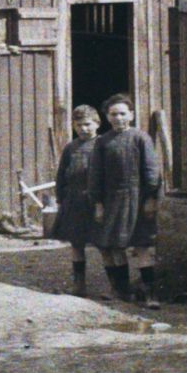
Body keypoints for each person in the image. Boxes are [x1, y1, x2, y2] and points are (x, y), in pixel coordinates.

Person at [91, 93, 164, 307]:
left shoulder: (141, 138)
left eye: (122, 114)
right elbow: (95, 175)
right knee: (114, 246)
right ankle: (122, 291)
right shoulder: (102, 142)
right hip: (112, 200)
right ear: (107, 117)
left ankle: (151, 294)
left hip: (138, 198)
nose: (118, 118)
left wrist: (151, 198)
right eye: (114, 114)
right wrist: (98, 203)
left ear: (131, 115)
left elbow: (152, 171)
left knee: (142, 246)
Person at [50, 103, 100, 297]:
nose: (83, 129)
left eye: (87, 124)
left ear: (97, 123)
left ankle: (117, 287)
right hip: (74, 199)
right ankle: (79, 285)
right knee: (76, 243)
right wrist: (60, 198)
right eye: (79, 125)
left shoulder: (103, 144)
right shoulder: (71, 147)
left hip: (96, 200)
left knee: (105, 244)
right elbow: (61, 174)